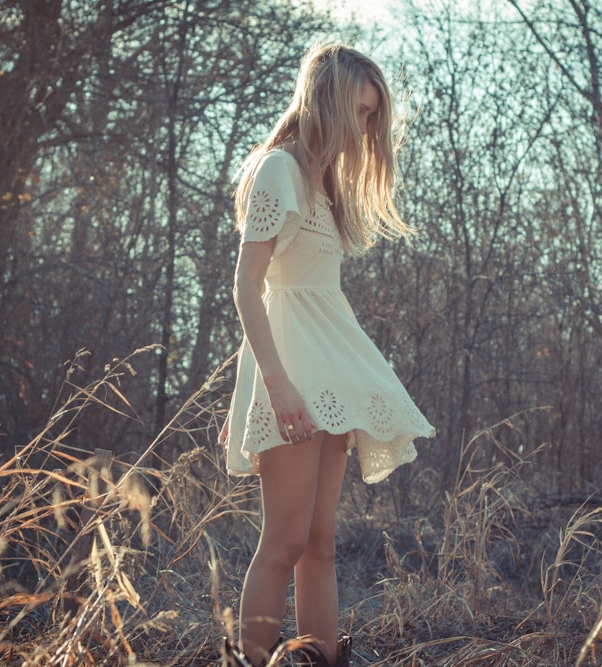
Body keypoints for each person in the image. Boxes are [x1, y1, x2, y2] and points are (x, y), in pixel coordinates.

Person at [218, 44, 435, 667]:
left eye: (372, 117)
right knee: (283, 540)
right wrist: (275, 386)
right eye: (359, 112)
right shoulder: (278, 170)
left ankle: (322, 661)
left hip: (332, 366)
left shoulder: (323, 184)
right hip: (292, 371)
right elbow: (247, 286)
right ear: (328, 103)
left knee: (321, 542)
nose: (365, 129)